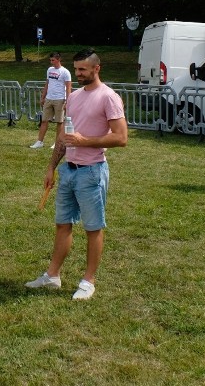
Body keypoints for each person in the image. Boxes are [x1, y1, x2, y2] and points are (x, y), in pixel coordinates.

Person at [25, 49, 127, 301]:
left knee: (93, 228)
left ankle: (88, 281)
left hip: (91, 172)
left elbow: (121, 137)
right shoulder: (74, 97)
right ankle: (53, 276)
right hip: (68, 170)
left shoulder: (109, 97)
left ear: (96, 69)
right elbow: (63, 137)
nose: (79, 74)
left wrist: (85, 141)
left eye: (83, 69)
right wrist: (51, 166)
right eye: (77, 69)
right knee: (62, 225)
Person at [31, 52, 73, 149]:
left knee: (59, 122)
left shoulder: (65, 72)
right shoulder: (49, 70)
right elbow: (47, 84)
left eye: (53, 60)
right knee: (44, 120)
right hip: (49, 98)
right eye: (50, 60)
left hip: (60, 99)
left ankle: (57, 143)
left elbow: (68, 87)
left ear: (59, 60)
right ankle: (39, 141)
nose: (51, 62)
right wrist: (43, 97)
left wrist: (67, 101)